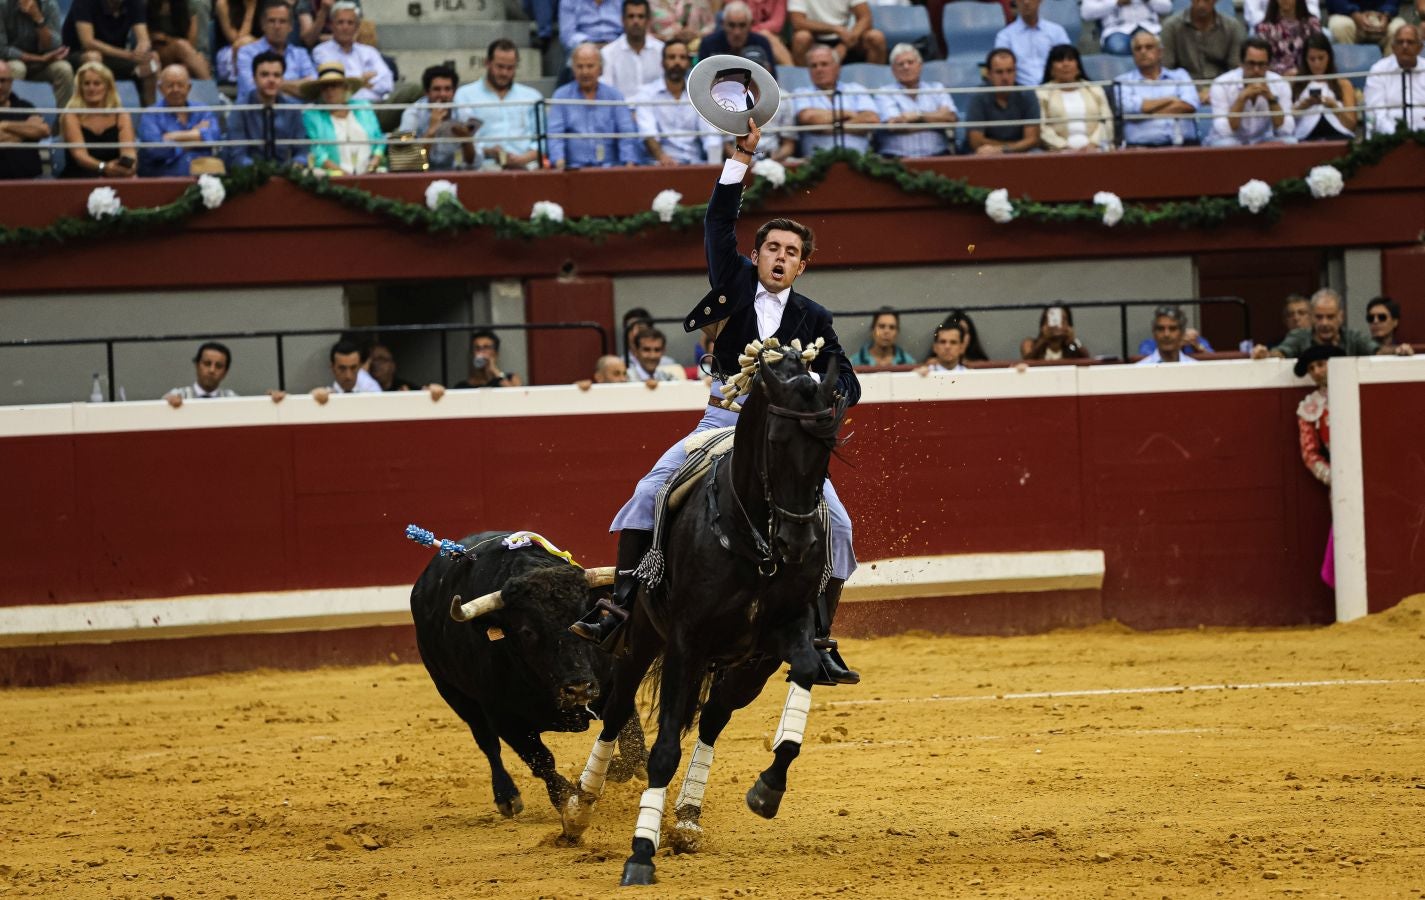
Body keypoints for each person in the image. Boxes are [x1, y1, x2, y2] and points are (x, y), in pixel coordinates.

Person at [574, 114, 863, 686]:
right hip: (722, 423)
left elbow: (847, 380)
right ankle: (622, 604)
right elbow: (718, 219)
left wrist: (827, 404)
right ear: (756, 256)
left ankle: (820, 634)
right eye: (772, 248)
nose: (780, 257)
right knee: (649, 490)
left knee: (839, 525)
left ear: (803, 265)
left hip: (783, 439)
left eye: (791, 252)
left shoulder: (815, 318)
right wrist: (741, 159)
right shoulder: (732, 282)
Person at [547, 43, 639, 168]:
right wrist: (559, 163)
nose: (585, 72)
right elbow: (555, 136)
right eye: (579, 66)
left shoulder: (614, 96)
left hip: (610, 169)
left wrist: (628, 164)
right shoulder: (561, 96)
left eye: (590, 66)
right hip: (573, 170)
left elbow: (626, 134)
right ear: (573, 69)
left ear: (600, 69)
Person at [455, 39, 541, 171]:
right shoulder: (465, 95)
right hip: (484, 167)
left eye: (510, 68)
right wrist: (489, 151)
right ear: (487, 63)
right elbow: (463, 142)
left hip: (527, 166)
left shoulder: (532, 96)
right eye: (500, 66)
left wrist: (522, 160)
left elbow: (542, 140)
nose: (504, 73)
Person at [1294, 342, 1341, 585]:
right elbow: (1310, 454)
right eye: (1312, 367)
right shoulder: (1310, 406)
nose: (1317, 371)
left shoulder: (1355, 387)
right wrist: (1336, 477)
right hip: (1339, 475)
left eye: (1321, 364)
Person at [632, 39, 722, 164]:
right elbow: (648, 134)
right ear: (662, 62)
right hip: (660, 165)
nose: (677, 62)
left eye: (682, 58)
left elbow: (711, 135)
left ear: (689, 63)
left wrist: (714, 167)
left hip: (695, 163)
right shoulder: (647, 94)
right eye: (671, 57)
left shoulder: (699, 94)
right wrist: (662, 158)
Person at [61, 0, 158, 105]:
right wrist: (128, 55)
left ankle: (150, 115)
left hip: (116, 55)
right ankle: (92, 114)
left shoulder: (135, 3)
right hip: (78, 54)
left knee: (150, 63)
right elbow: (88, 42)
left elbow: (143, 38)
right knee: (93, 58)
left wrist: (142, 51)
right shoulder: (83, 2)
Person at [791, 44, 880, 156]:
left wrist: (830, 126)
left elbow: (871, 119)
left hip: (859, 160)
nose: (819, 69)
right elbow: (811, 119)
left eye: (824, 64)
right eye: (814, 66)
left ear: (837, 67)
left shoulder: (856, 89)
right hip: (817, 162)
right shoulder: (801, 93)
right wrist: (849, 114)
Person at [1207, 37, 1296, 145]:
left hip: (1264, 141)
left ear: (1269, 65)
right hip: (1232, 141)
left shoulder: (1280, 84)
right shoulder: (1221, 84)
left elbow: (1286, 130)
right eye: (1251, 64)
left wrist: (1271, 100)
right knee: (1227, 144)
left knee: (1290, 142)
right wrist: (1241, 99)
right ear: (1241, 63)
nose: (1256, 70)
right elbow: (1224, 131)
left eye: (1262, 64)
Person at [1116, 31, 1199, 146]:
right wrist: (1170, 99)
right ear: (1133, 54)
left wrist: (1144, 113)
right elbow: (1129, 110)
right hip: (1140, 150)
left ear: (1160, 52)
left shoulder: (1180, 75)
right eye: (1138, 49)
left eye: (1149, 47)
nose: (1143, 52)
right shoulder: (1122, 82)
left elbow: (1189, 105)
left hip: (1184, 146)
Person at [137, 63, 222, 176]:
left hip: (204, 177)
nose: (175, 89)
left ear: (189, 87)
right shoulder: (150, 114)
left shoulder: (202, 110)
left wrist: (173, 137)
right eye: (170, 85)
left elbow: (215, 136)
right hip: (164, 178)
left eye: (180, 85)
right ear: (160, 88)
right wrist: (195, 136)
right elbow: (157, 150)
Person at [875, 43, 957, 158]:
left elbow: (950, 119)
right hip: (897, 159)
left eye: (910, 62)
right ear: (893, 70)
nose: (906, 67)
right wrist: (936, 121)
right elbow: (895, 127)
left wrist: (918, 116)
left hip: (938, 156)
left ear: (920, 66)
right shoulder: (884, 93)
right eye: (900, 64)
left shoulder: (937, 88)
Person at [226, 51, 307, 167]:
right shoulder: (240, 109)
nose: (271, 80)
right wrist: (263, 173)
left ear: (282, 79)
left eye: (277, 75)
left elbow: (302, 150)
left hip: (286, 175)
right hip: (249, 177)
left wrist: (296, 164)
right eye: (265, 75)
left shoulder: (292, 109)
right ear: (254, 78)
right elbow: (238, 155)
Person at [302, 60, 384, 173]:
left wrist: (374, 162)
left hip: (370, 172)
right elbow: (317, 152)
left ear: (345, 88)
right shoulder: (312, 114)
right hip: (333, 176)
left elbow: (379, 139)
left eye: (334, 86)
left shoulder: (363, 107)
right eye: (325, 87)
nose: (329, 91)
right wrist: (342, 174)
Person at [58, 60, 135, 177]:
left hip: (114, 174)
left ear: (108, 87)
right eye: (86, 83)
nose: (91, 88)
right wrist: (103, 167)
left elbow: (129, 152)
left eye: (97, 83)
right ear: (80, 88)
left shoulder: (121, 115)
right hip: (79, 177)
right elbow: (80, 155)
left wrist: (129, 168)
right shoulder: (71, 115)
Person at [1251, 287, 1378, 357]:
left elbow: (1378, 351)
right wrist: (1265, 354)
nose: (1324, 323)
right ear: (1311, 317)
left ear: (1341, 316)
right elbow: (1281, 352)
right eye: (1319, 317)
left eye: (1330, 317)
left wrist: (1397, 351)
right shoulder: (1299, 337)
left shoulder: (1353, 337)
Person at [1161, 0, 1248, 100]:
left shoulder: (1232, 27)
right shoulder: (1171, 26)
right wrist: (1190, 93)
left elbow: (1236, 69)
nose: (1201, 4)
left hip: (1224, 89)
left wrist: (1216, 91)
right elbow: (1167, 70)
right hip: (1182, 90)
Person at [1037, 44, 1114, 151]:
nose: (1065, 64)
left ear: (1078, 66)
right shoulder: (1042, 93)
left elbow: (1107, 121)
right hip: (1058, 151)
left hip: (1096, 149)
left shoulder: (1094, 89)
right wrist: (1064, 147)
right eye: (1060, 60)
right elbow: (1042, 128)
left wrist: (1093, 144)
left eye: (1070, 59)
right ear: (1051, 68)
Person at [966, 48, 1041, 154]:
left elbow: (1033, 139)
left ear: (1016, 72)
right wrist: (1009, 147)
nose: (1005, 77)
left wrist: (1003, 149)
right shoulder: (978, 96)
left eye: (1009, 71)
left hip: (1021, 152)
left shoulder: (1027, 94)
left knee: (1037, 153)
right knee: (980, 152)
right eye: (999, 72)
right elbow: (975, 142)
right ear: (988, 74)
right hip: (987, 152)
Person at [235, 1, 315, 100]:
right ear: (263, 25)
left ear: (290, 27)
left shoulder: (300, 54)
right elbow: (252, 90)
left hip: (296, 114)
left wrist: (270, 85)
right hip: (255, 113)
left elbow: (313, 89)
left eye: (282, 21)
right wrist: (296, 85)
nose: (277, 26)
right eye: (272, 21)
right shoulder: (247, 53)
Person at [398, 64, 473, 170]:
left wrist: (467, 140)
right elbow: (406, 163)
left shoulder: (464, 113)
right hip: (421, 174)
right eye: (437, 89)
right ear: (427, 92)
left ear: (454, 91)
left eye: (447, 89)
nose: (442, 94)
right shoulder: (412, 114)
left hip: (455, 173)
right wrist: (431, 131)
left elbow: (473, 163)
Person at [2, 0, 75, 107]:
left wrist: (38, 19)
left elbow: (54, 45)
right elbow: (2, 49)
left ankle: (65, 120)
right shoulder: (3, 5)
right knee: (18, 68)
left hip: (42, 64)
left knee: (64, 69)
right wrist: (40, 59)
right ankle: (12, 117)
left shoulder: (49, 4)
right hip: (10, 62)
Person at [311, 1, 389, 102]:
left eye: (350, 23)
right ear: (332, 26)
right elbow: (335, 83)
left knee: (410, 91)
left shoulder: (370, 52)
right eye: (340, 22)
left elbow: (387, 83)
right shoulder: (321, 51)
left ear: (357, 27)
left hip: (376, 106)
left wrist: (358, 83)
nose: (345, 27)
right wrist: (361, 81)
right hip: (345, 107)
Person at [1291, 33, 1358, 139]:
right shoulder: (1295, 81)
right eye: (1312, 59)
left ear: (1329, 57)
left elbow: (1351, 126)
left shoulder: (1343, 84)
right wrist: (1303, 106)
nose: (1317, 64)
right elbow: (1284, 123)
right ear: (1305, 59)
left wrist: (1333, 106)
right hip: (1304, 137)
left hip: (1338, 134)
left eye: (1321, 58)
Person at [1364, 24, 1425, 135]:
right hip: (1388, 139)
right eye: (1400, 42)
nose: (1405, 46)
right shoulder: (1379, 70)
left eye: (1410, 42)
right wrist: (1397, 136)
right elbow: (1376, 113)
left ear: (1420, 48)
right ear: (1393, 47)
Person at [994, 0, 1071, 86]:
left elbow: (1069, 61)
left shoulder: (1057, 32)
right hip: (1021, 92)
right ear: (1016, 1)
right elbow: (1003, 69)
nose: (1026, 2)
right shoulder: (1005, 36)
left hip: (1054, 89)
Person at [787, 0, 886, 64]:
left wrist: (845, 45)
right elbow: (797, 22)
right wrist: (835, 28)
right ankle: (801, 84)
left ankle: (876, 85)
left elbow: (866, 17)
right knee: (801, 37)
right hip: (815, 38)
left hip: (846, 38)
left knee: (876, 37)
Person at [698, 0, 787, 71]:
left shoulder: (762, 44)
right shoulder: (708, 44)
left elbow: (773, 80)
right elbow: (700, 77)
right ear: (723, 24)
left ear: (750, 25)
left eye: (742, 25)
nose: (737, 32)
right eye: (731, 25)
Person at [600, 0, 663, 99]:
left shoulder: (661, 51)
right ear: (623, 20)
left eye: (640, 16)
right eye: (631, 16)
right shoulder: (608, 53)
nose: (636, 21)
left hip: (654, 112)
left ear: (648, 20)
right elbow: (608, 93)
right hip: (621, 111)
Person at [0, 67, 48, 178]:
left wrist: (4, 125)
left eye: (3, 81)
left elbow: (43, 130)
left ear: (11, 82)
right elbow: (36, 130)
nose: (0, 86)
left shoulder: (25, 106)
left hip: (31, 181)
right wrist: (26, 133)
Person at [145, 0, 209, 80]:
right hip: (157, 51)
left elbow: (191, 42)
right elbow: (147, 38)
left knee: (200, 58)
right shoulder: (146, 4)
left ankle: (209, 88)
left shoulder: (188, 5)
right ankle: (211, 89)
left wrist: (168, 39)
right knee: (182, 46)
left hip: (183, 52)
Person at [1081, 0, 1173, 55]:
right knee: (1118, 47)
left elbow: (1167, 8)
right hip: (1116, 30)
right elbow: (1086, 13)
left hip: (1149, 28)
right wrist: (1116, 2)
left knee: (1164, 44)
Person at [1255, 0, 1321, 74]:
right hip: (1276, 79)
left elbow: (1318, 55)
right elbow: (1264, 60)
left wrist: (1299, 72)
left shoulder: (1312, 24)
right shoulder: (1264, 28)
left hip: (1307, 76)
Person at [312, 338, 382, 403]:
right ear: (332, 368)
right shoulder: (329, 393)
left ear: (360, 367)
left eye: (353, 368)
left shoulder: (372, 391)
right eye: (342, 369)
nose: (348, 376)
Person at [451, 329, 523, 388]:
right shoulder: (462, 386)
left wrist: (495, 371)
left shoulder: (511, 378)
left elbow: (518, 398)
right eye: (477, 348)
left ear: (495, 353)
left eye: (486, 347)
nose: (481, 352)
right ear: (472, 354)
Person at [1135, 305, 1202, 364]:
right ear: (1154, 333)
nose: (1166, 334)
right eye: (1160, 329)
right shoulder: (1139, 370)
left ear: (1182, 333)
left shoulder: (1197, 368)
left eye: (1173, 329)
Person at [851, 307, 917, 366]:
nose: (886, 332)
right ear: (872, 330)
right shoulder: (854, 363)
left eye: (892, 327)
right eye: (881, 326)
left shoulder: (908, 363)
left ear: (897, 332)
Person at [1324, 0, 1407, 47]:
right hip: (1346, 15)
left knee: (1398, 28)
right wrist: (1354, 13)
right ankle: (1347, 74)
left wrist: (1386, 14)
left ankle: (1390, 74)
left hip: (1381, 16)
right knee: (1340, 26)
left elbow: (1392, 2)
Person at [1021, 304, 1089, 359]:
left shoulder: (1072, 346)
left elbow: (1087, 360)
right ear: (1043, 324)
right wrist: (1044, 339)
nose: (1057, 325)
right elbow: (1027, 360)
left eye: (1063, 320)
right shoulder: (1030, 343)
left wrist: (1072, 341)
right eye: (1053, 320)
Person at [648, 0, 717, 50]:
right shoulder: (650, 3)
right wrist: (669, 36)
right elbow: (646, 34)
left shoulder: (699, 2)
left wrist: (697, 34)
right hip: (661, 49)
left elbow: (711, 25)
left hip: (695, 49)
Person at [558, 0, 623, 51]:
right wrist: (589, 45)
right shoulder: (569, 1)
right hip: (583, 48)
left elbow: (629, 27)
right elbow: (567, 36)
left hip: (617, 46)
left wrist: (616, 45)